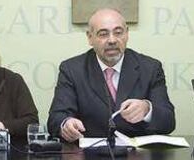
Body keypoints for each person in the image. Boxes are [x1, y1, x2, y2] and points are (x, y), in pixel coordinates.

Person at [48, 8, 175, 142]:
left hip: (137, 154)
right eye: (103, 34)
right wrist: (66, 124)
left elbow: (168, 122)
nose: (112, 40)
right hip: (90, 154)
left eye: (118, 33)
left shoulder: (150, 68)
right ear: (90, 38)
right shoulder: (72, 69)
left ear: (127, 34)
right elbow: (56, 118)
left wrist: (147, 110)